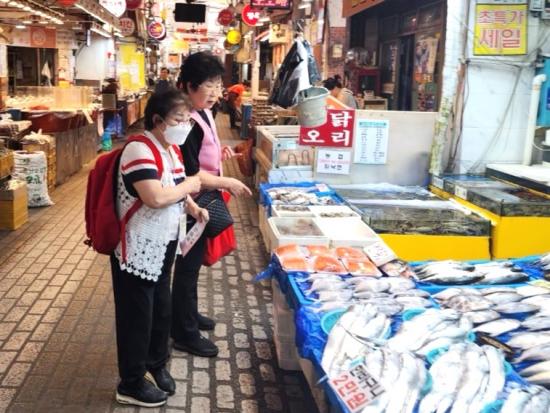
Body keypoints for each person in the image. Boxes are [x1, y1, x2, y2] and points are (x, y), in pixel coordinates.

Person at [111, 89, 208, 407]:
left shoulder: (170, 149)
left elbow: (175, 185)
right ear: (157, 120)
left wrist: (193, 206)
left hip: (164, 243)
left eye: (188, 119)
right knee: (137, 315)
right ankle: (130, 381)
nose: (185, 126)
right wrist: (191, 185)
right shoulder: (138, 149)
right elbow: (154, 196)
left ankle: (156, 364)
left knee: (160, 309)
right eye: (179, 119)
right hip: (137, 247)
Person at [172, 52, 252, 358]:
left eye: (218, 84)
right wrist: (228, 181)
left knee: (192, 265)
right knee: (187, 267)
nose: (216, 92)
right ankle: (184, 332)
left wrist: (220, 155)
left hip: (203, 199)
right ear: (189, 86)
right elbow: (190, 174)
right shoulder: (186, 121)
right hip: (191, 203)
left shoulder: (205, 111)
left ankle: (188, 317)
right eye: (208, 85)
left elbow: (202, 155)